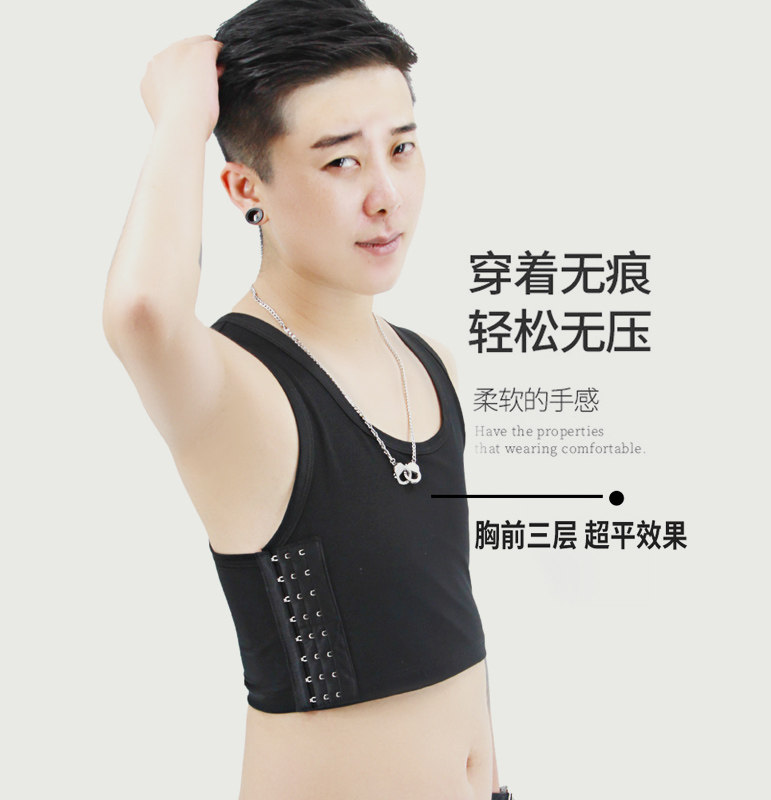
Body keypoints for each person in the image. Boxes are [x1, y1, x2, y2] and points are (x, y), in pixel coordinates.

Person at [103, 1, 511, 797]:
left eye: (402, 148)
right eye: (341, 162)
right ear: (243, 187)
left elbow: (443, 615)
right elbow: (142, 311)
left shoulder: (431, 363)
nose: (387, 195)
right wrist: (183, 117)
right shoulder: (237, 386)